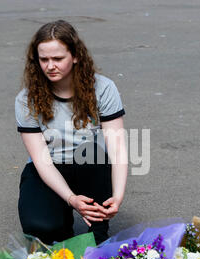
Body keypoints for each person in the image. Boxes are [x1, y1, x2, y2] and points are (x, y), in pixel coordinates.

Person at [15, 20, 128, 245]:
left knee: (92, 153)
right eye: (44, 59)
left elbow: (117, 148)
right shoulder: (26, 99)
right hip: (49, 166)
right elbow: (41, 159)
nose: (50, 66)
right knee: (43, 230)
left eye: (58, 58)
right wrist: (71, 199)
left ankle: (97, 225)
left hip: (88, 163)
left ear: (75, 56)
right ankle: (60, 213)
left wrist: (117, 195)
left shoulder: (103, 89)